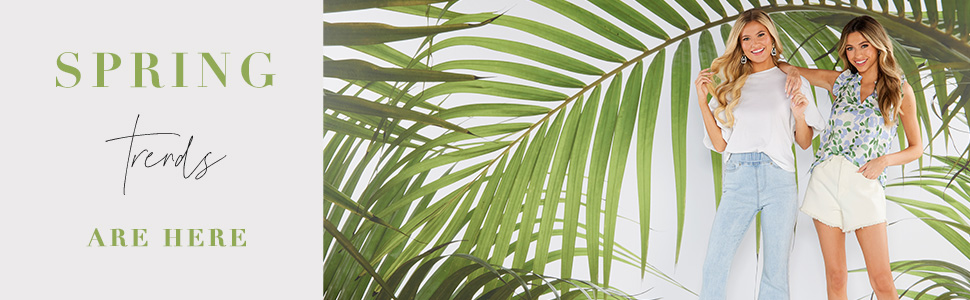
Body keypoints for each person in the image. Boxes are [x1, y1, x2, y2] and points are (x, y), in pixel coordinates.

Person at [778, 15, 921, 300]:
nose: (857, 55)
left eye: (864, 46)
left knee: (881, 279)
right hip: (825, 180)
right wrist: (782, 65)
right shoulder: (840, 82)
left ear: (880, 46)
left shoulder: (898, 90)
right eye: (850, 48)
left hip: (864, 182)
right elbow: (789, 68)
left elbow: (916, 147)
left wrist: (884, 161)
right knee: (836, 276)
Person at [694, 9, 824, 300]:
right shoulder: (731, 87)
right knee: (714, 265)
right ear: (739, 46)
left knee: (775, 273)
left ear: (772, 37)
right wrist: (703, 102)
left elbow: (803, 143)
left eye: (761, 34)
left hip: (778, 180)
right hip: (738, 178)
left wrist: (800, 115)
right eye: (746, 38)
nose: (755, 43)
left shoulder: (792, 80)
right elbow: (720, 145)